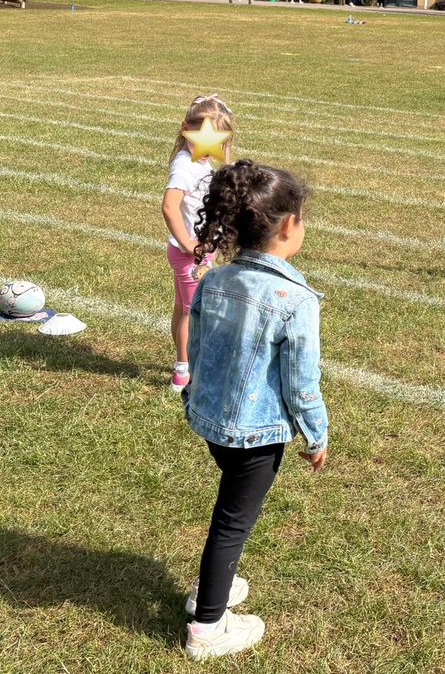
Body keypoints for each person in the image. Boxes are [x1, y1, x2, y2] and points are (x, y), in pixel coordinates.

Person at [181, 160, 327, 661]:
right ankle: (208, 625)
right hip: (256, 437)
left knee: (230, 514)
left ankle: (215, 585)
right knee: (231, 523)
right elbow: (301, 383)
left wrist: (192, 397)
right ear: (288, 226)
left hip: (212, 425)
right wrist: (316, 434)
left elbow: (196, 348)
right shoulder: (296, 299)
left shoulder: (215, 280)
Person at [162, 95, 235, 392]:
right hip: (190, 255)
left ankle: (183, 364)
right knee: (194, 312)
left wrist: (226, 157)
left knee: (183, 308)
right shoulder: (185, 166)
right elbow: (169, 206)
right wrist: (189, 245)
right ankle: (184, 370)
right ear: (185, 129)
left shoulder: (200, 160)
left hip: (199, 251)